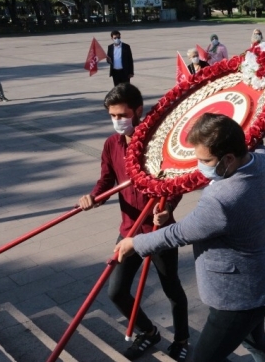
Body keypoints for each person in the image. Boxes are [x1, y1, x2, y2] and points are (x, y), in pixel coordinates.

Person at [115, 114, 265, 362]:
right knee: (256, 341)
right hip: (263, 280)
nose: (200, 166)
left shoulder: (222, 199)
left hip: (237, 296)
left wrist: (134, 243)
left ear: (228, 158)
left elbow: (179, 233)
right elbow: (256, 140)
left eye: (205, 160)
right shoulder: (262, 160)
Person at [78, 84, 189, 360]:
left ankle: (182, 338)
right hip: (129, 230)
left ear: (137, 110)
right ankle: (149, 332)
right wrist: (94, 197)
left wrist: (168, 208)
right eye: (112, 116)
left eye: (121, 114)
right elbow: (106, 180)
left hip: (160, 231)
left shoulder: (156, 142)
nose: (117, 120)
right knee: (116, 291)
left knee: (171, 288)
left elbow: (176, 181)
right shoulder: (111, 144)